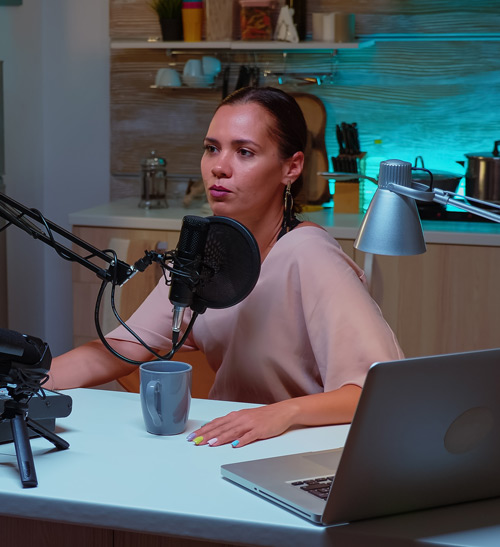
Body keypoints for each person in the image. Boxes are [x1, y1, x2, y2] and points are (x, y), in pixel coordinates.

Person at [47, 86, 403, 448]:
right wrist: (28, 380)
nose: (219, 167)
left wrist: (282, 413)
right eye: (212, 148)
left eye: (244, 152)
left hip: (296, 450)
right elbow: (122, 348)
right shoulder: (207, 253)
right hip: (223, 444)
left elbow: (377, 391)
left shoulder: (309, 253)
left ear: (291, 167)